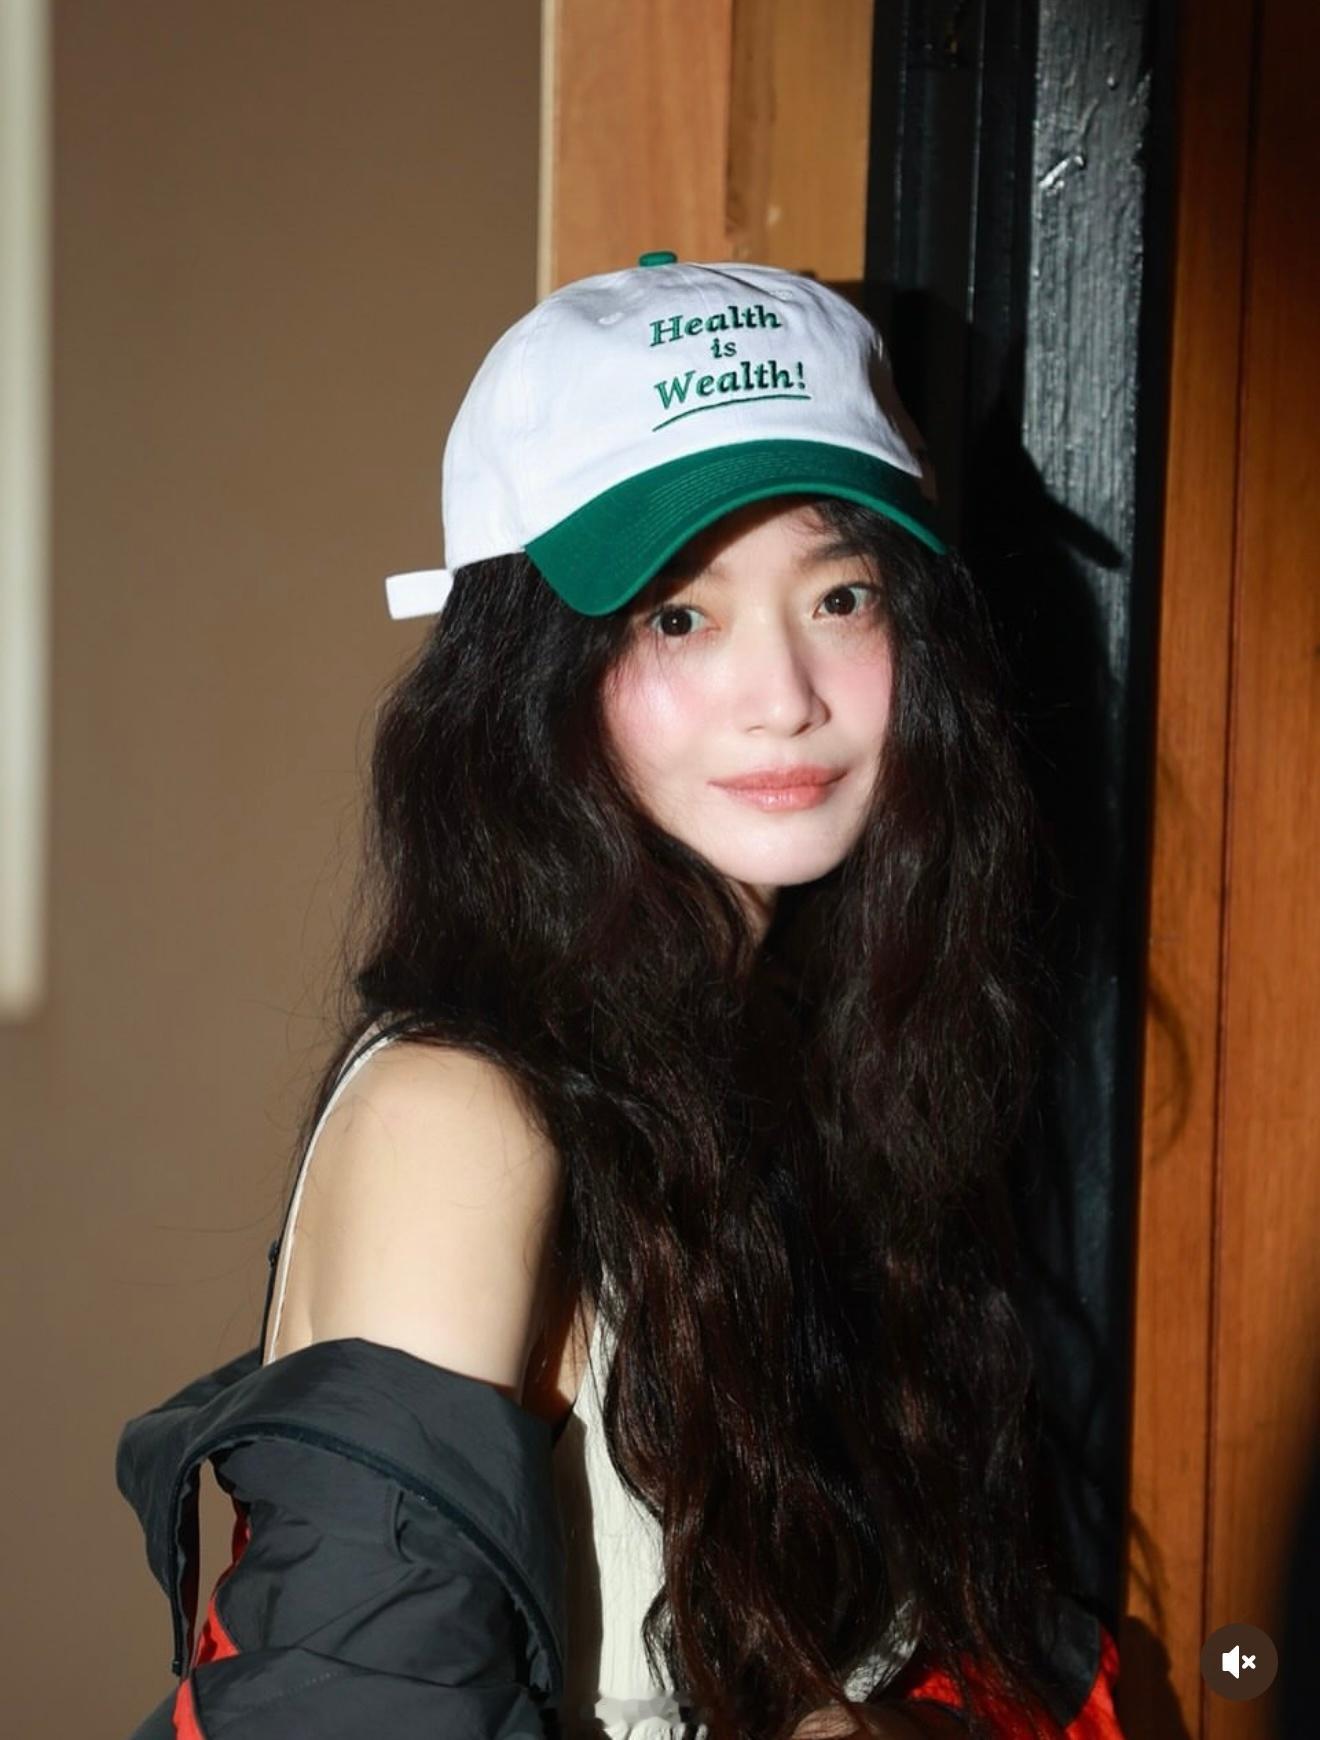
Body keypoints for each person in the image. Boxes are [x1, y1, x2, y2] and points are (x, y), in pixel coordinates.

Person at [117, 255, 1125, 1740]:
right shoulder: (459, 1117)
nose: (786, 695)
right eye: (677, 617)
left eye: (841, 595)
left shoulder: (814, 1047)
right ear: (527, 673)